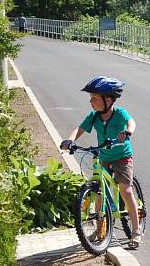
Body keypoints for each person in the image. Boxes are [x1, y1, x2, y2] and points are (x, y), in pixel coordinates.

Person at [60, 76, 142, 248]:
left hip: (122, 157)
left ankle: (136, 231)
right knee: (98, 191)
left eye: (94, 99)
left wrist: (128, 132)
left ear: (109, 100)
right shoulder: (93, 116)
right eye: (90, 99)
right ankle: (100, 229)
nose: (91, 102)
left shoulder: (119, 114)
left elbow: (131, 122)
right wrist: (69, 140)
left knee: (125, 190)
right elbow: (79, 129)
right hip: (103, 156)